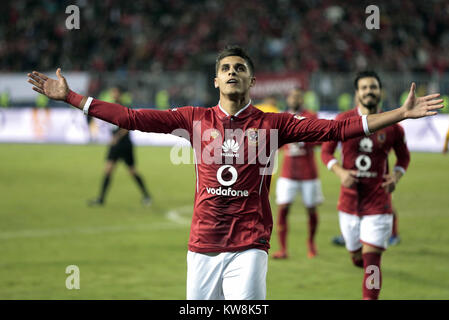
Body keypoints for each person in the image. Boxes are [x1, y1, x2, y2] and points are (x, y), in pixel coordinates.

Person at [27, 46, 443, 300]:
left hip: (250, 243)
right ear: (215, 79)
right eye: (225, 67)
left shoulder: (274, 124)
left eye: (239, 68)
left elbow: (337, 128)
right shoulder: (193, 119)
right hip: (202, 244)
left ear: (253, 80)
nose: (231, 72)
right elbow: (132, 117)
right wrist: (74, 99)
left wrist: (399, 115)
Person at [321, 71, 411, 300]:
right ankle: (362, 264)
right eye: (364, 88)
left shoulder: (393, 125)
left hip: (379, 204)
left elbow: (403, 157)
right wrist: (340, 172)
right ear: (357, 93)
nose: (369, 91)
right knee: (357, 258)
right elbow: (326, 152)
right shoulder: (343, 120)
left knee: (372, 262)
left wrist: (396, 177)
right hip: (348, 203)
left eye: (373, 87)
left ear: (380, 92)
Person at [272, 88, 323, 259]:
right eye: (292, 96)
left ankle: (311, 244)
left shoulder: (311, 116)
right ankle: (283, 249)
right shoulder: (282, 118)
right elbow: (275, 143)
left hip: (309, 173)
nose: (295, 99)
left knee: (311, 209)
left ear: (302, 99)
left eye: (298, 96)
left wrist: (304, 139)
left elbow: (320, 140)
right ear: (288, 98)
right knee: (283, 209)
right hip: (288, 173)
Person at [87, 86, 152, 207]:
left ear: (120, 94)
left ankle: (147, 196)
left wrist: (116, 137)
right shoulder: (110, 106)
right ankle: (101, 199)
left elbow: (128, 126)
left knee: (132, 171)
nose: (113, 94)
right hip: (114, 144)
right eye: (112, 92)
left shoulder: (125, 107)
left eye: (115, 92)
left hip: (124, 144)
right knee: (108, 170)